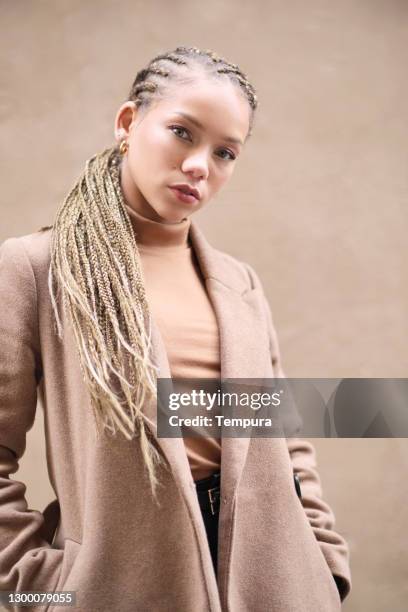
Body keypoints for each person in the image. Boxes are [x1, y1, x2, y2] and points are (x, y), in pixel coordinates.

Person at [0, 46, 351, 611]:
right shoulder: (35, 269)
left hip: (277, 587)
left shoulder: (239, 283)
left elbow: (284, 435)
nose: (200, 166)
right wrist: (48, 591)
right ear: (127, 123)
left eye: (225, 152)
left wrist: (325, 565)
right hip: (126, 589)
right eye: (182, 133)